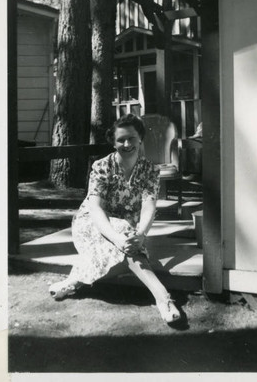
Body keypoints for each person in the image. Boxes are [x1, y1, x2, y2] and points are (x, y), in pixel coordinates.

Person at [49, 114, 181, 324]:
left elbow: (149, 205)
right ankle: (163, 298)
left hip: (127, 228)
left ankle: (74, 281)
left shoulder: (149, 170)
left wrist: (141, 234)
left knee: (128, 246)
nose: (127, 144)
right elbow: (95, 209)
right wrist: (118, 237)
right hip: (92, 224)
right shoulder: (102, 167)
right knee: (126, 242)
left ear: (140, 139)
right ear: (113, 142)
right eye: (120, 140)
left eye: (131, 138)